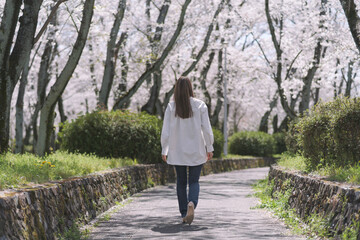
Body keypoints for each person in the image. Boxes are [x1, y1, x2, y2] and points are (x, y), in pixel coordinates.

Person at [161, 76, 214, 225]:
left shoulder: (171, 107)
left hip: (177, 150)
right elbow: (207, 129)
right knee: (194, 181)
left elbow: (165, 131)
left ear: (176, 89)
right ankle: (192, 203)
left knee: (181, 182)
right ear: (191, 88)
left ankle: (184, 212)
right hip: (197, 149)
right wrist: (209, 147)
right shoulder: (200, 105)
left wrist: (164, 149)